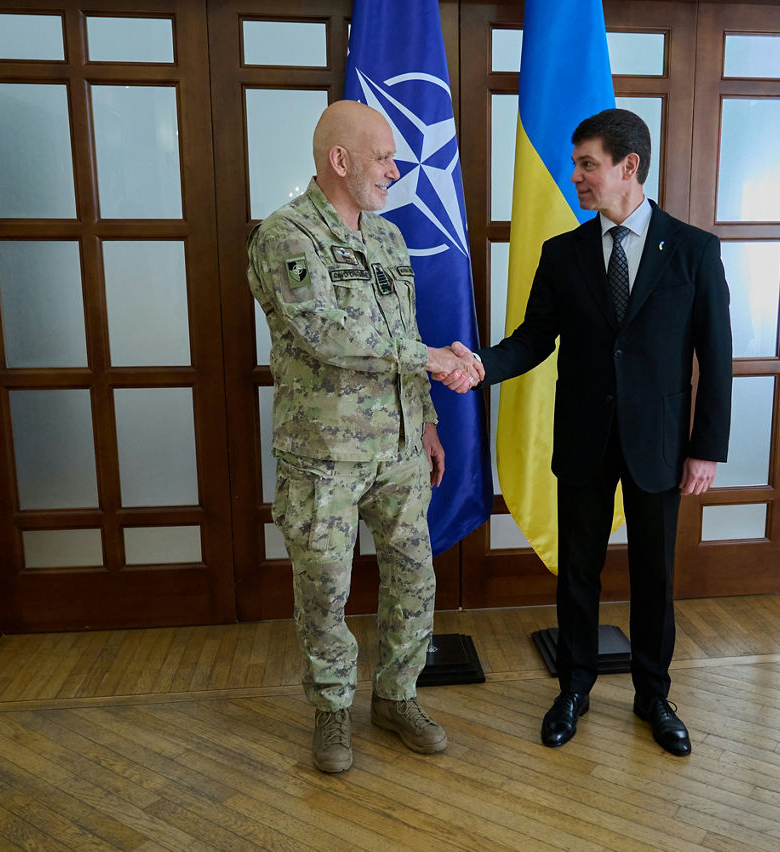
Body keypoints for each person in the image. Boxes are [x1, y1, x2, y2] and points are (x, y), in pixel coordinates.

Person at [456, 108, 731, 756]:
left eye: (587, 164)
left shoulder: (693, 250)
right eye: (576, 164)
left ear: (629, 166)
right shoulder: (563, 253)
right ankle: (573, 689)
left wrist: (706, 449)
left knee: (654, 576)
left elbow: (716, 357)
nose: (575, 175)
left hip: (659, 444)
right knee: (577, 571)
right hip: (583, 438)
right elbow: (532, 340)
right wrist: (479, 365)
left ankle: (653, 695)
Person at [247, 100, 479, 774]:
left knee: (414, 579)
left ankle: (397, 697)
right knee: (325, 588)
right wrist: (433, 358)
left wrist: (428, 420)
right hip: (325, 457)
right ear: (339, 159)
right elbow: (324, 333)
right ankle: (330, 709)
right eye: (383, 158)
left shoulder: (388, 239)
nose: (395, 170)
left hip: (401, 451)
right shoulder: (286, 234)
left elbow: (403, 331)